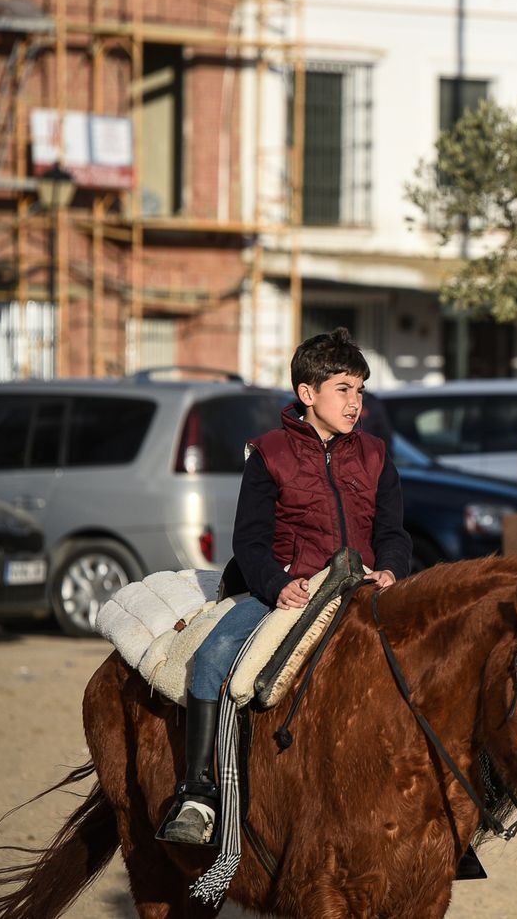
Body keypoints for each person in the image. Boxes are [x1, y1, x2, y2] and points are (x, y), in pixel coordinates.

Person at [156, 327, 411, 846]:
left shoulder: (377, 454)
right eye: (343, 389)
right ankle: (198, 792)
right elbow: (248, 543)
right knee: (211, 657)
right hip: (286, 592)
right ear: (307, 394)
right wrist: (278, 586)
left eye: (360, 390)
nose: (355, 402)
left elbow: (393, 532)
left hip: (363, 588)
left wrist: (391, 568)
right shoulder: (268, 453)